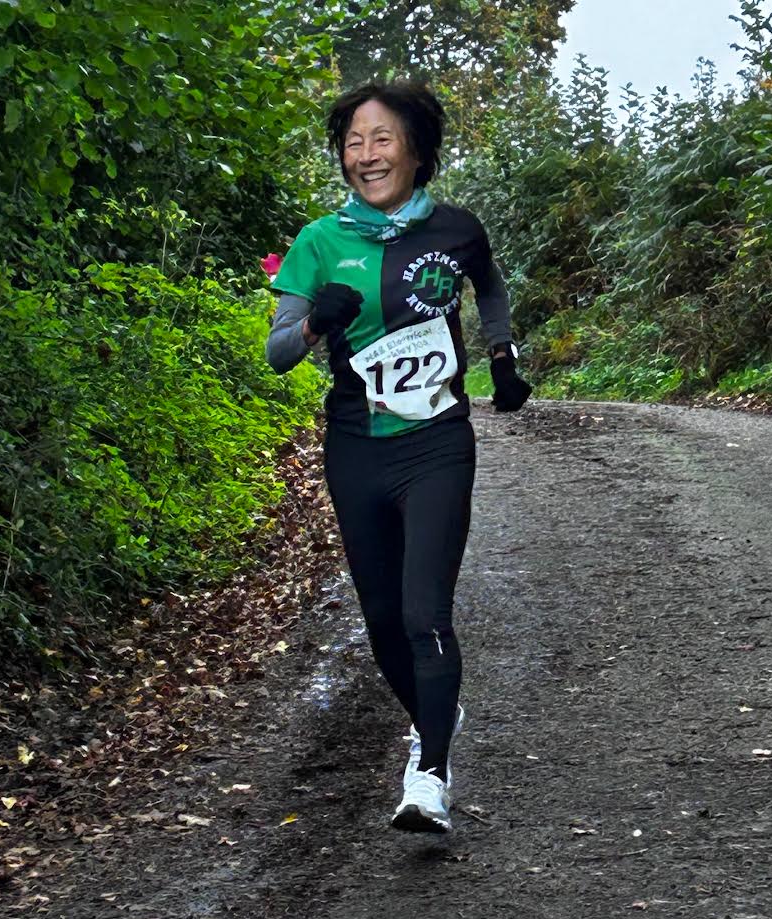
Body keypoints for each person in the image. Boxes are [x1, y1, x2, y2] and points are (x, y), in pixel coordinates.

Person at [265, 80, 530, 833]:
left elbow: (489, 285)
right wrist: (315, 323)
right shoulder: (320, 242)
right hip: (355, 448)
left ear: (416, 149)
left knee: (423, 611)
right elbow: (279, 353)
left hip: (437, 441)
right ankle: (434, 712)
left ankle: (430, 775)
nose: (366, 154)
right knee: (382, 620)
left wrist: (502, 355)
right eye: (353, 141)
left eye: (381, 138)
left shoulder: (456, 228)